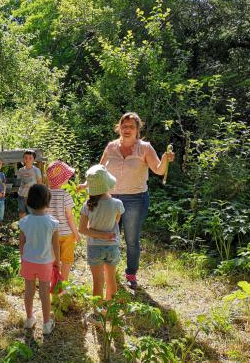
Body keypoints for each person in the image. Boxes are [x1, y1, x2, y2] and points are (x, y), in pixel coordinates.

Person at [98, 112, 174, 289]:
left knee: (131, 239)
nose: (127, 129)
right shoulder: (111, 147)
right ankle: (109, 270)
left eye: (131, 126)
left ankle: (131, 273)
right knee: (109, 237)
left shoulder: (145, 148)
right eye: (124, 126)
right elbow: (99, 170)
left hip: (135, 200)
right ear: (119, 128)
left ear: (137, 129)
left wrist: (165, 159)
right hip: (111, 199)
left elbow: (159, 170)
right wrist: (87, 185)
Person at [78, 165, 123, 323]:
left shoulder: (87, 205)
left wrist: (99, 235)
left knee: (98, 281)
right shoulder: (117, 203)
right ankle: (110, 311)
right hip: (112, 246)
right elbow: (116, 221)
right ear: (107, 184)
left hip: (94, 248)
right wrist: (106, 234)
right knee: (111, 279)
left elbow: (82, 229)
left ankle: (97, 315)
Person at [19, 184, 60, 335]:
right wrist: (58, 262)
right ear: (47, 200)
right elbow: (56, 245)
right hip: (45, 263)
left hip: (28, 261)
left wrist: (22, 258)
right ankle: (46, 323)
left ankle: (29, 318)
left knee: (29, 291)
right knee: (44, 292)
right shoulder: (52, 222)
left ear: (29, 201)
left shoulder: (24, 221)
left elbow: (21, 243)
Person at [45, 161, 80, 281]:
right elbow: (70, 217)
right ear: (62, 180)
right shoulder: (65, 195)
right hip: (67, 234)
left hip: (51, 234)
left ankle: (53, 283)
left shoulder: (45, 195)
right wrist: (76, 233)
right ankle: (63, 283)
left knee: (53, 259)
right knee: (67, 260)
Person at [17, 150, 43, 218]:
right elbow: (19, 182)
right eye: (25, 158)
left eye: (30, 158)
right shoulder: (20, 170)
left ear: (34, 159)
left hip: (31, 196)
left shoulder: (36, 170)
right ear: (23, 159)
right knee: (22, 212)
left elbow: (39, 184)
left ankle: (31, 228)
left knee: (31, 214)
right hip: (21, 195)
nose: (27, 159)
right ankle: (23, 227)